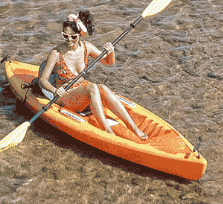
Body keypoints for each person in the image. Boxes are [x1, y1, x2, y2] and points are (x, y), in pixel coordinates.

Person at [38, 9, 147, 140]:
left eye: (73, 36)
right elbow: (42, 80)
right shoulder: (56, 53)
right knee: (92, 87)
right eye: (65, 36)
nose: (69, 40)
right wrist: (55, 90)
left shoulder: (86, 47)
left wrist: (111, 52)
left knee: (102, 87)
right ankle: (107, 130)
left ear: (80, 35)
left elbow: (108, 63)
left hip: (82, 89)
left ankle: (133, 128)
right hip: (65, 95)